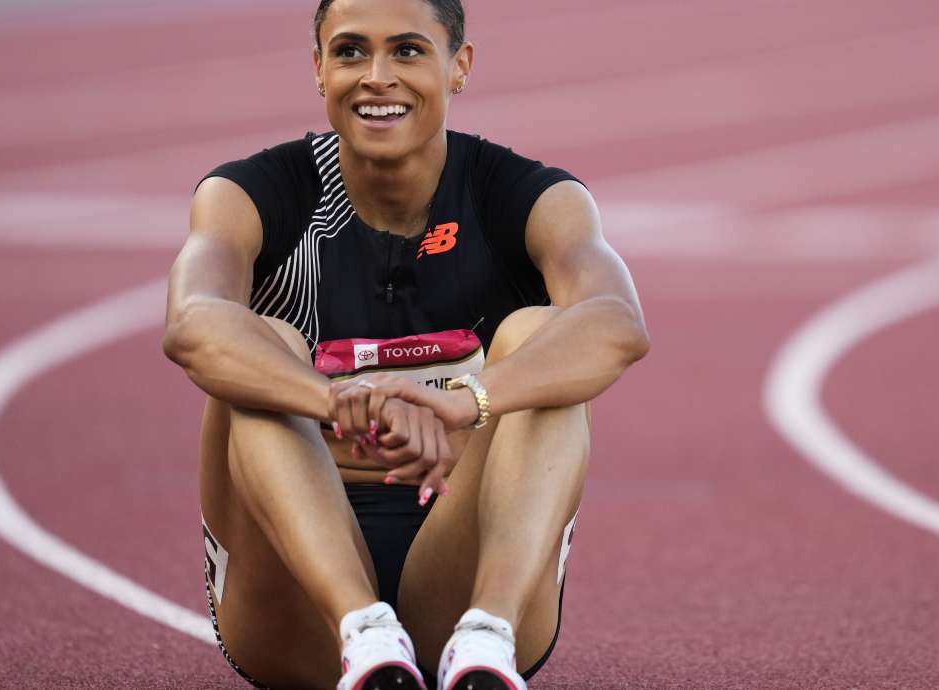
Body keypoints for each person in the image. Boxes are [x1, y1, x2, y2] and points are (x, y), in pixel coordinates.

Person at [163, 0, 649, 687]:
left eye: (408, 51)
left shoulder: (529, 197)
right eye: (350, 52)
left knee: (543, 338)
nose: (376, 75)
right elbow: (192, 325)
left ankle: (486, 637)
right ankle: (364, 632)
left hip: (459, 564)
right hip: (295, 601)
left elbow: (617, 324)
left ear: (459, 66)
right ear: (319, 69)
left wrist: (467, 399)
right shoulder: (247, 194)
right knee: (261, 342)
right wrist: (334, 400)